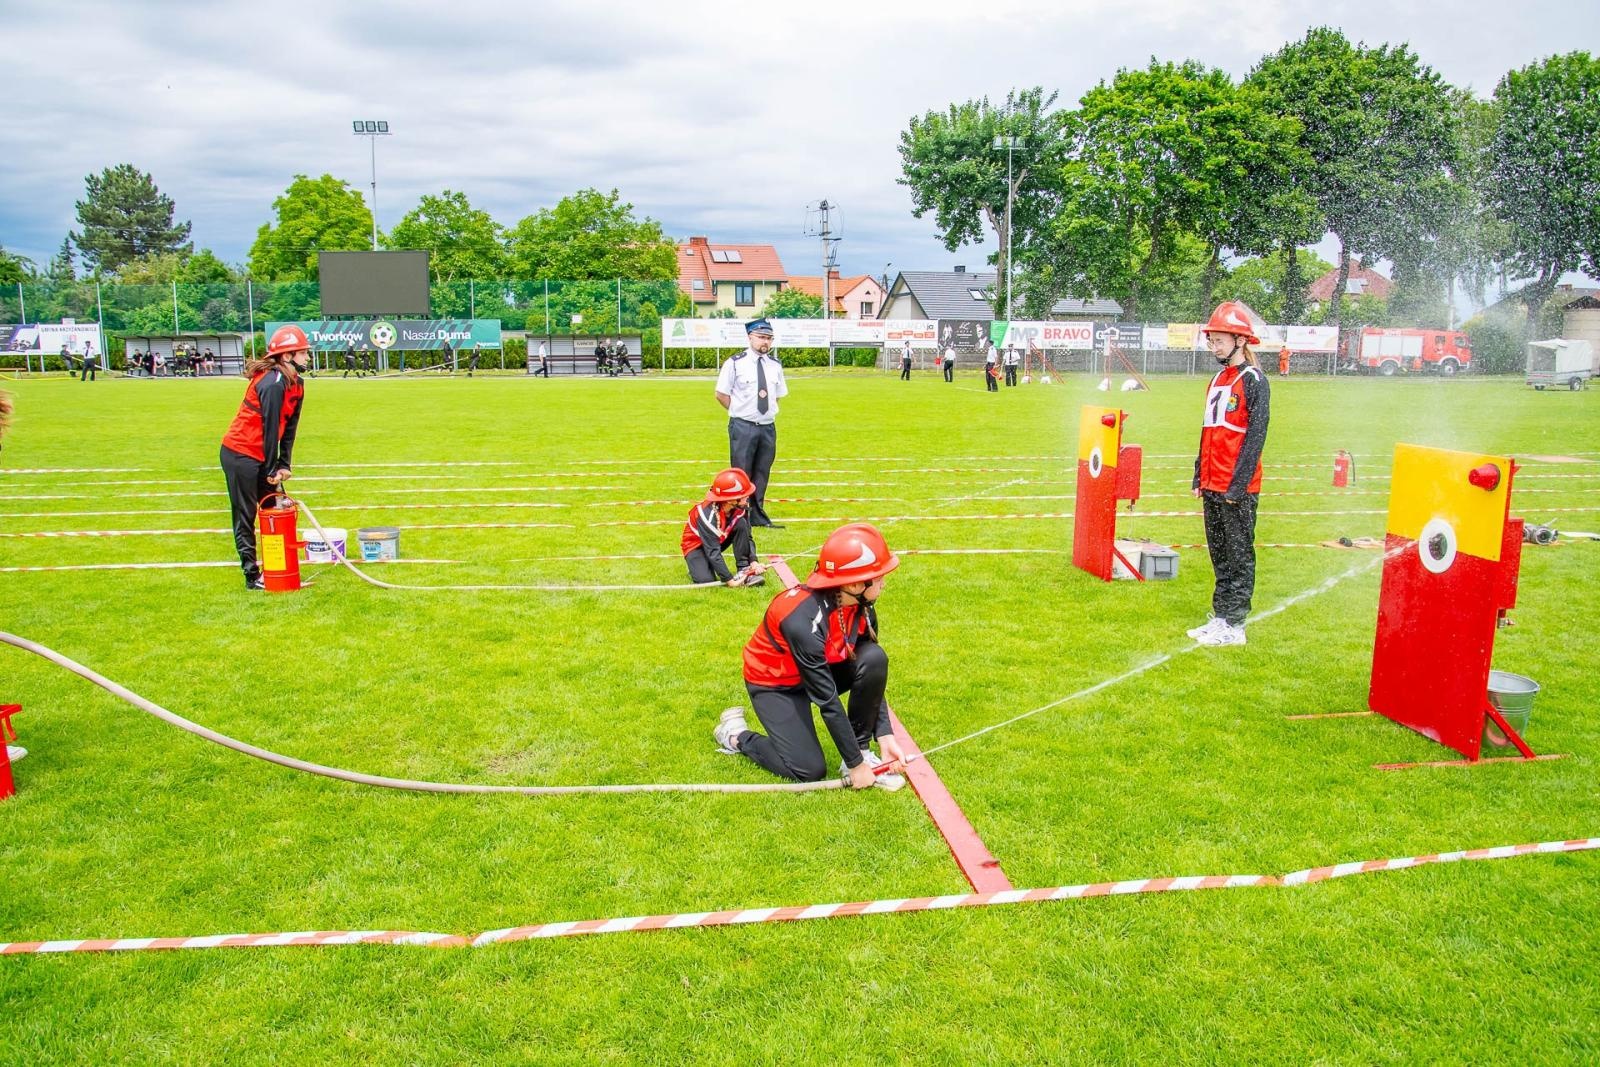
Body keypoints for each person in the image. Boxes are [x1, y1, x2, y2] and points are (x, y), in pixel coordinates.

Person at [712, 523, 907, 789]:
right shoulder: (803, 620)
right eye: (879, 576)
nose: (884, 582)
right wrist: (856, 767)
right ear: (854, 584)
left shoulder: (862, 606)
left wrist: (884, 735)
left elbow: (871, 671)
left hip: (815, 672)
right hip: (774, 685)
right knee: (808, 769)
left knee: (873, 657)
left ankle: (862, 751)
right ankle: (736, 735)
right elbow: (827, 700)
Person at [1188, 300, 1271, 648]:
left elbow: (1256, 436)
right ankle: (1221, 617)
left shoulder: (1254, 380)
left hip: (1236, 488)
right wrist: (1199, 474)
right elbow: (1208, 431)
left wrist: (1238, 486)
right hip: (1212, 483)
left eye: (1219, 340)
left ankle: (1236, 625)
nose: (1214, 346)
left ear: (1240, 340)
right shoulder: (1217, 380)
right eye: (1212, 340)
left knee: (1239, 556)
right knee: (1219, 554)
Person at [219, 324, 311, 591]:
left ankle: (280, 568)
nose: (307, 357)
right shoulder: (272, 382)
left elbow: (289, 428)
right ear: (287, 356)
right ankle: (252, 576)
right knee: (245, 515)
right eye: (303, 352)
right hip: (241, 453)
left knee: (278, 507)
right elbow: (270, 428)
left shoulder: (297, 384)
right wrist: (271, 469)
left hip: (262, 456)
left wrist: (284, 464)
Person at [716, 319, 786, 528]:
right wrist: (739, 412)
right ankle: (738, 516)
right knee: (741, 473)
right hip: (743, 426)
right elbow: (721, 394)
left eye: (769, 338)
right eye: (761, 337)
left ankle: (756, 515)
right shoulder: (735, 363)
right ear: (750, 337)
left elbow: (777, 395)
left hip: (767, 426)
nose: (765, 342)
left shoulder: (775, 365)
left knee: (762, 472)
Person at [682, 468, 768, 587]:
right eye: (743, 495)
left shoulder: (741, 507)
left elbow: (747, 536)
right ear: (729, 500)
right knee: (706, 580)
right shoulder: (706, 516)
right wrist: (730, 581)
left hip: (718, 540)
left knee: (741, 524)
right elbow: (713, 551)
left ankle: (744, 569)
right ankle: (696, 565)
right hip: (696, 546)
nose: (747, 497)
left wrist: (753, 561)